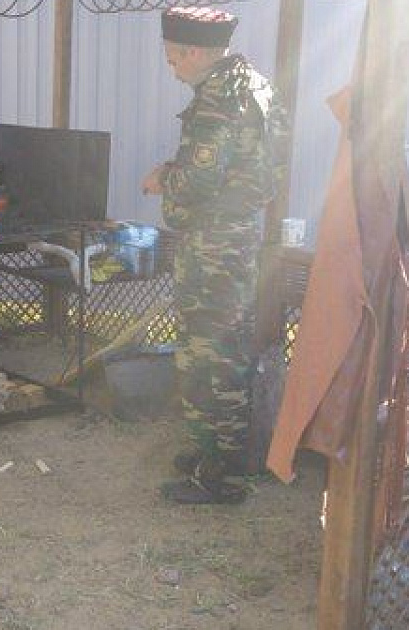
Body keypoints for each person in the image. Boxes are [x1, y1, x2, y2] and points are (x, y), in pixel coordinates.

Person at [141, 6, 288, 505]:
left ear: (193, 52)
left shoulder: (217, 100)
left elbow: (200, 179)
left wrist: (163, 179)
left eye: (172, 59)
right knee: (224, 349)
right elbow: (261, 167)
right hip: (237, 236)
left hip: (213, 245)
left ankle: (219, 475)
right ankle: (215, 452)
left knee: (209, 356)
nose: (172, 70)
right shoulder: (255, 86)